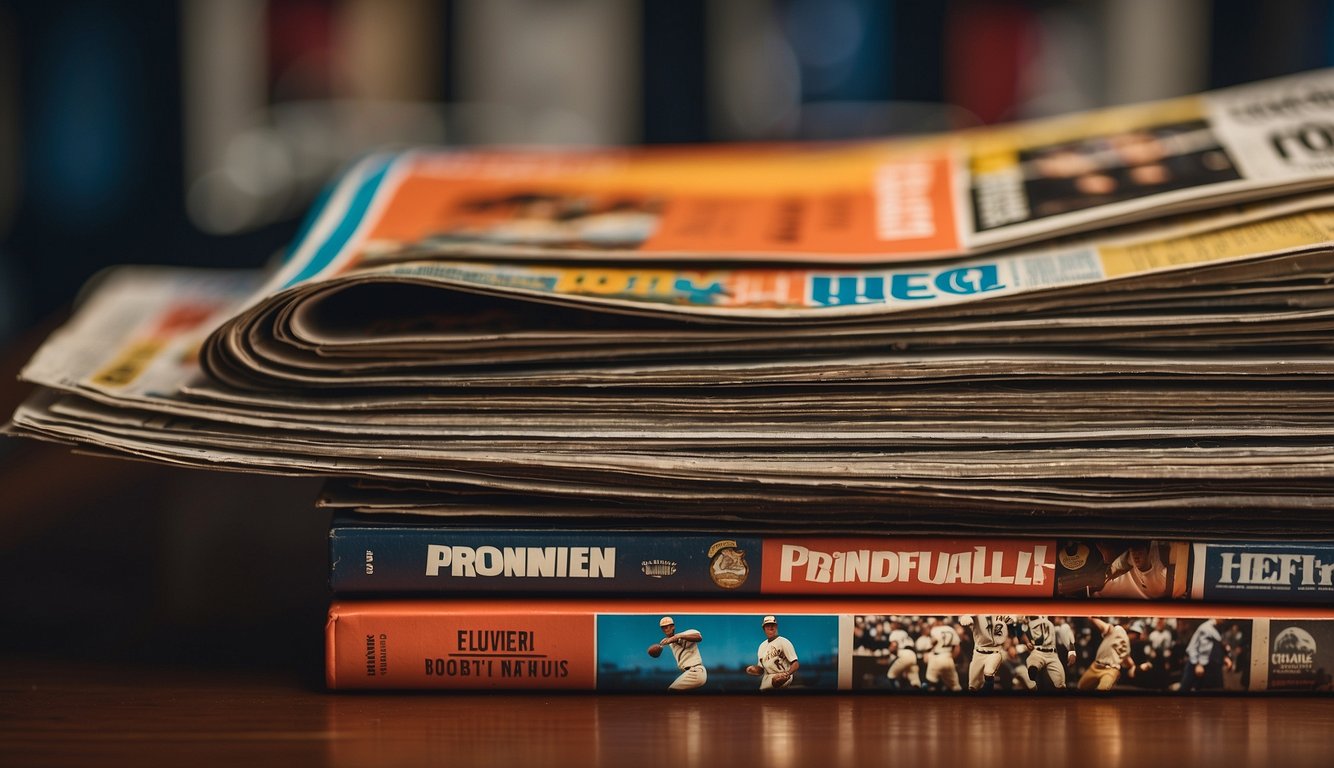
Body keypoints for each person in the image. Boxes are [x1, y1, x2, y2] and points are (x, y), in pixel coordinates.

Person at [1077, 617, 1138, 691]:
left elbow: (1127, 659)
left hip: (1111, 670)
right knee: (1081, 687)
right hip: (1096, 666)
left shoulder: (1127, 646)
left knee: (1102, 690)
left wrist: (1132, 667)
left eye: (1137, 635)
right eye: (1135, 634)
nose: (1135, 637)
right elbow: (1103, 625)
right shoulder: (1117, 630)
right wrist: (1092, 618)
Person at [960, 615, 1014, 692]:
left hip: (995, 651)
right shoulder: (977, 612)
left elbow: (1011, 624)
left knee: (989, 672)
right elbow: (967, 616)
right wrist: (965, 616)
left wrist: (1010, 642)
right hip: (978, 653)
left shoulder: (1002, 612)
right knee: (973, 686)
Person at [746, 615, 800, 690]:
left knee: (774, 683)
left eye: (773, 625)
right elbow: (761, 670)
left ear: (776, 627)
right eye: (767, 625)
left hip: (783, 674)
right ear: (764, 628)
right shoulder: (762, 646)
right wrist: (754, 669)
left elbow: (795, 664)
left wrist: (787, 674)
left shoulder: (783, 641)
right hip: (768, 677)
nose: (770, 627)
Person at [1023, 615, 1076, 689]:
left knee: (1061, 685)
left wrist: (1072, 651)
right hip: (1037, 651)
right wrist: (1027, 642)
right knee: (1033, 671)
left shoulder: (1051, 614)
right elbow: (1021, 629)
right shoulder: (1027, 616)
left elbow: (1063, 625)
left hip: (1052, 652)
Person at [655, 616, 706, 691]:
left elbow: (699, 637)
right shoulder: (668, 642)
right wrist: (659, 648)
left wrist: (679, 636)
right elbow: (655, 654)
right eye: (663, 627)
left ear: (673, 627)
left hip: (696, 671)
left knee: (672, 690)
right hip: (689, 672)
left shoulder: (684, 634)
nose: (666, 629)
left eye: (668, 626)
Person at [1180, 618, 1232, 692]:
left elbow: (1219, 646)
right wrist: (1197, 664)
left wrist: (1225, 657)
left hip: (1210, 666)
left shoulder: (1220, 629)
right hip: (1196, 664)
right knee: (1184, 690)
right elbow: (1192, 647)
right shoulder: (1204, 628)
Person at [924, 618, 963, 691]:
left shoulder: (934, 630)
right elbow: (957, 647)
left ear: (937, 621)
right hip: (947, 657)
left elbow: (930, 645)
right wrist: (951, 657)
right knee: (955, 686)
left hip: (936, 657)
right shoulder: (950, 629)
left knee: (930, 683)